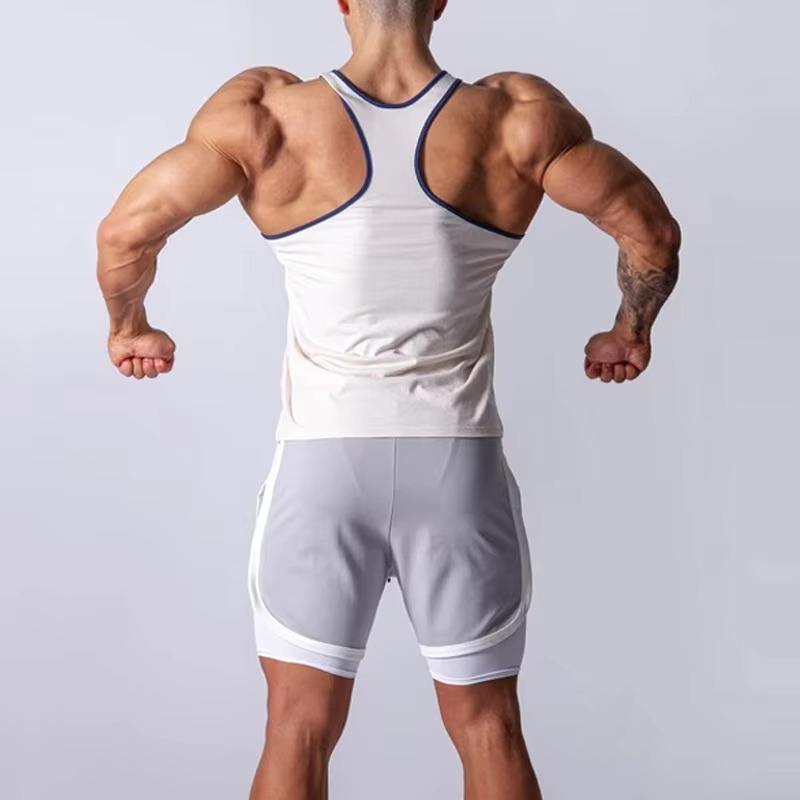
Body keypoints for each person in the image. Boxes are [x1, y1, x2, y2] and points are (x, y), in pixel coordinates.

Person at [96, 1, 680, 797]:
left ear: (341, 2)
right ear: (440, 3)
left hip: (322, 468)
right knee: (489, 728)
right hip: (459, 468)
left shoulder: (266, 117)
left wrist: (130, 327)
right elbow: (651, 232)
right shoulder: (517, 119)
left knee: (297, 728)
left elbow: (124, 233)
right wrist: (628, 331)